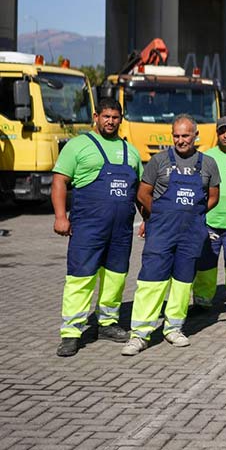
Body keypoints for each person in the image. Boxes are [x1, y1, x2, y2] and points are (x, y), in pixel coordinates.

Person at [123, 114, 221, 355]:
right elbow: (143, 194)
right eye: (176, 135)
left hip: (191, 235)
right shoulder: (159, 161)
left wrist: (193, 213)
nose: (180, 140)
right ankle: (140, 334)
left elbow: (213, 197)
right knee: (151, 281)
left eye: (185, 135)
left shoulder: (207, 164)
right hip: (162, 233)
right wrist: (160, 215)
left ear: (195, 135)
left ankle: (173, 328)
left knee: (182, 283)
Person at [52, 98, 143, 357]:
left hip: (121, 230)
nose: (110, 121)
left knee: (116, 276)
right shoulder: (78, 145)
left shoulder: (131, 151)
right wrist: (61, 216)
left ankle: (107, 323)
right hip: (87, 227)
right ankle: (71, 332)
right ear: (96, 116)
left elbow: (139, 192)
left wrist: (147, 218)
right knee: (80, 277)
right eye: (106, 116)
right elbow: (60, 181)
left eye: (115, 117)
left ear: (121, 119)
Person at [194, 116, 226, 310]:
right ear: (217, 133)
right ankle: (202, 300)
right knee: (206, 264)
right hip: (210, 221)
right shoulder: (207, 157)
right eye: (222, 131)